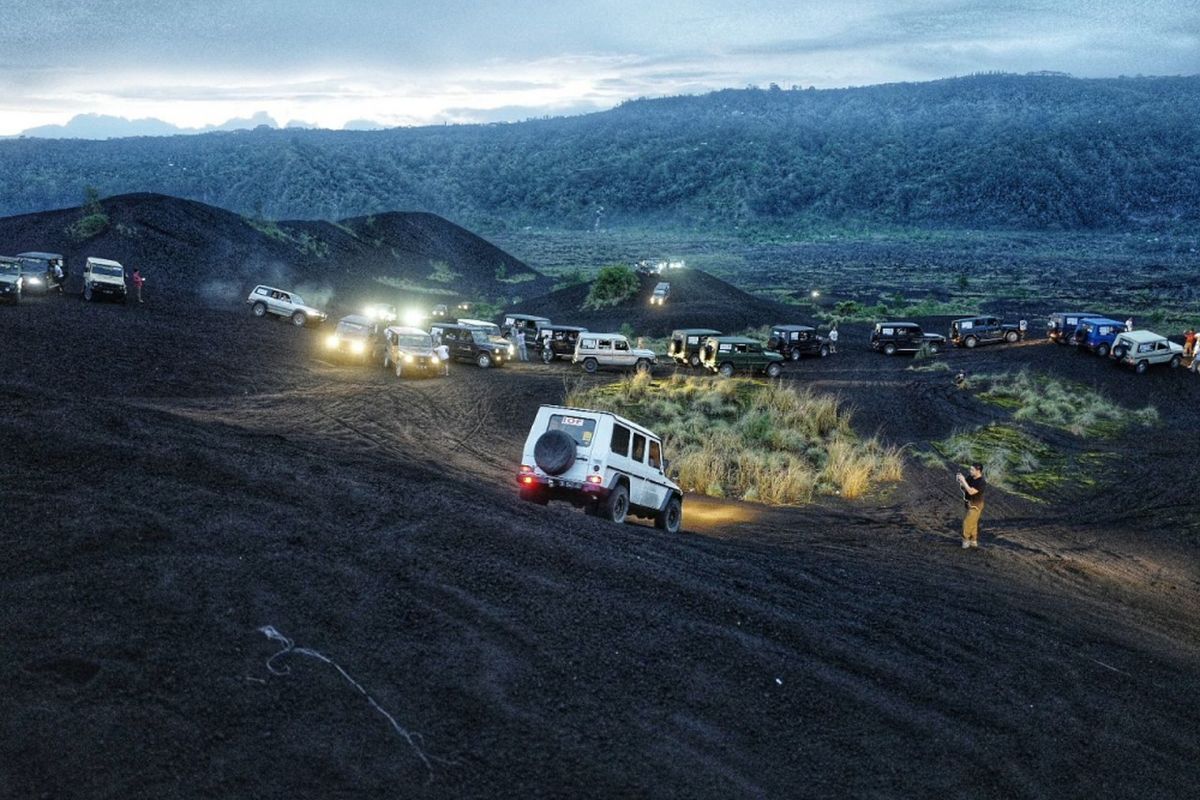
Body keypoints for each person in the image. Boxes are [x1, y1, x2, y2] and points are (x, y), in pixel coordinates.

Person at [956, 463, 986, 549]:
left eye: (972, 470)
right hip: (969, 503)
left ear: (978, 471)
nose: (970, 471)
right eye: (970, 469)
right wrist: (961, 481)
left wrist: (964, 481)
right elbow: (964, 487)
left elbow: (971, 491)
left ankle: (966, 540)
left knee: (967, 523)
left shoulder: (981, 482)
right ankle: (973, 540)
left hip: (976, 506)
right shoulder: (970, 477)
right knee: (973, 523)